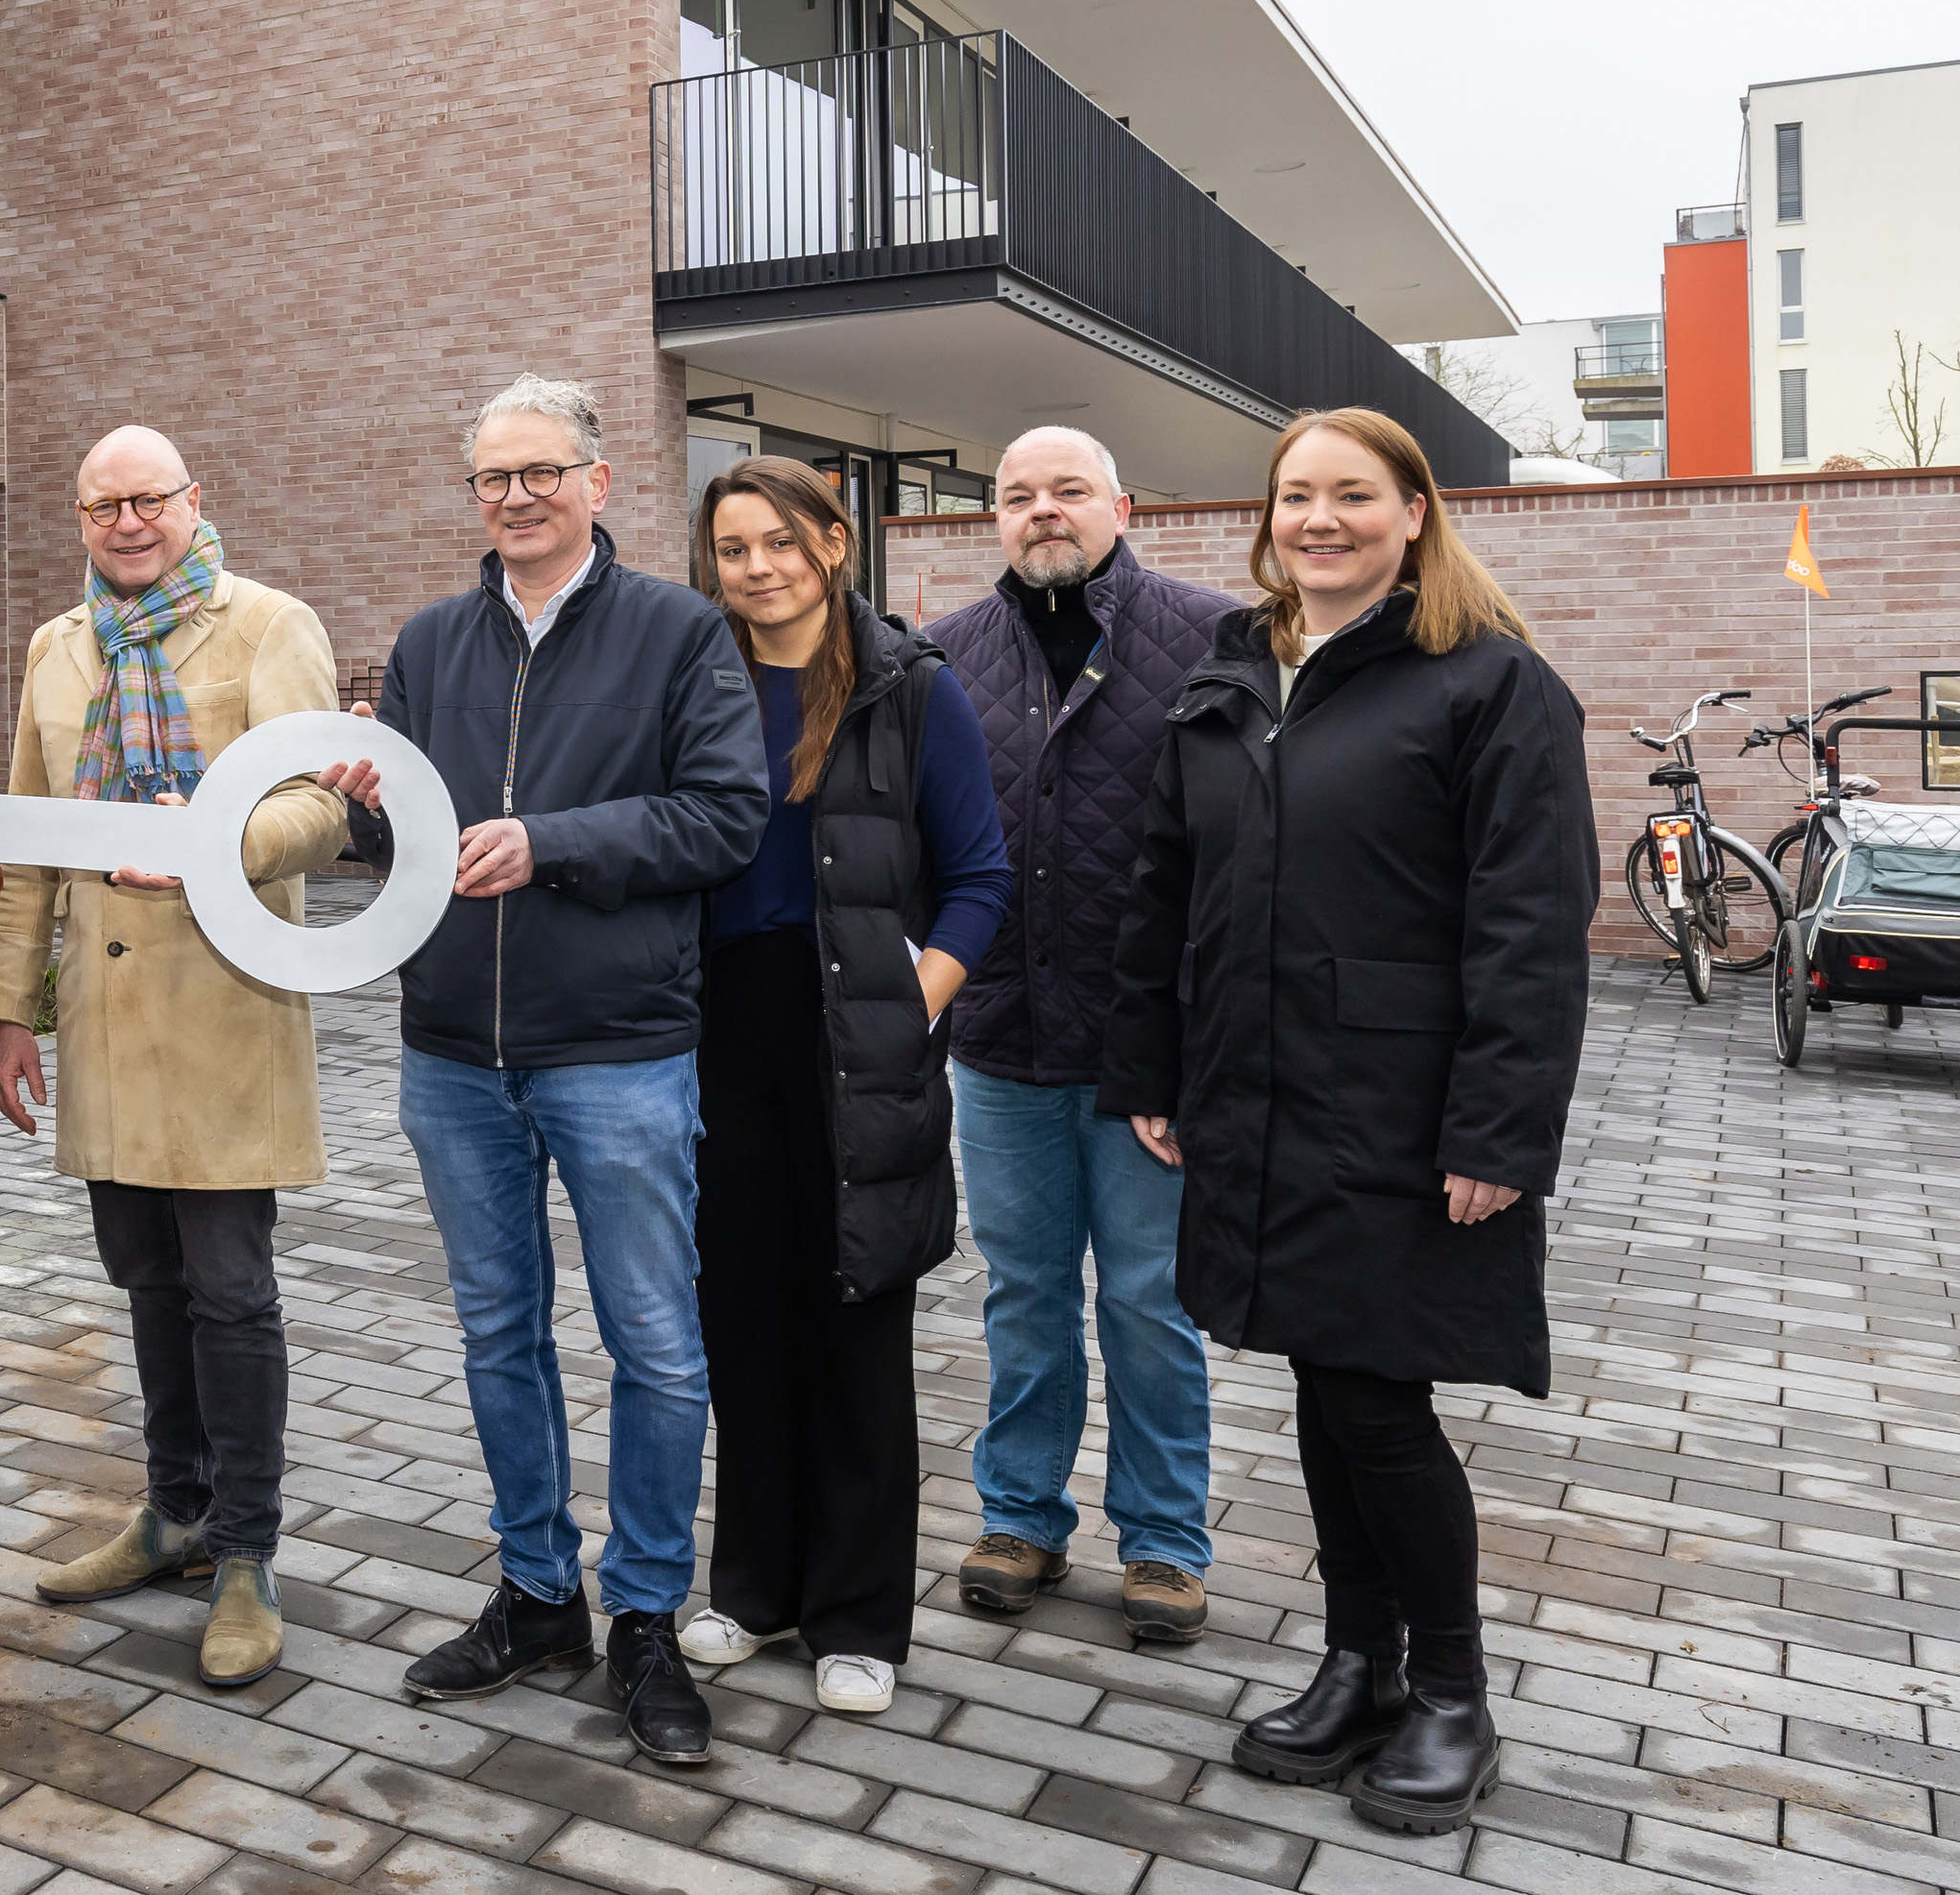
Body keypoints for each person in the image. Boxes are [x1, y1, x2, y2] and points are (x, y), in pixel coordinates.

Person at [1102, 408, 1594, 1836]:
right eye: (1296, 494)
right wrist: (1149, 1066)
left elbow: (1530, 927)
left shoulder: (1489, 683)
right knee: (1326, 1383)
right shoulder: (1233, 672)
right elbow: (1162, 890)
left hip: (1399, 1105)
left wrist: (1498, 1132)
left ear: (1413, 512)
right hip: (1256, 1091)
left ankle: (1450, 1693)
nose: (1319, 518)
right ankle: (1356, 1662)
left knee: (1377, 1401)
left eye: (1351, 495)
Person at [341, 375, 766, 1764]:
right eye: (490, 475)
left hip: (618, 1051)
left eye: (539, 470)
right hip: (453, 1052)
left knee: (653, 1342)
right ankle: (536, 1591)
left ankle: (643, 1613)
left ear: (597, 482)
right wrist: (359, 813)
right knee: (495, 1335)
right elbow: (403, 854)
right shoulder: (425, 642)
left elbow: (722, 816)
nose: (513, 495)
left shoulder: (677, 632)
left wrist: (550, 839)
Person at [0, 426, 353, 1688]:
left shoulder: (267, 623)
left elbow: (319, 807)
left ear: (195, 501)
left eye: (147, 499)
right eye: (100, 505)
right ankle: (174, 1509)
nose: (125, 522)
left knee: (229, 1288)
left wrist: (207, 839)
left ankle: (244, 1549)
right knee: (142, 1273)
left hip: (224, 1000)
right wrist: (7, 1004)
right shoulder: (51, 646)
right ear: (79, 519)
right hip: (102, 1015)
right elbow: (30, 840)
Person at [673, 458, 1009, 1715]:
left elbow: (978, 873)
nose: (756, 567)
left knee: (855, 1320)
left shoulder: (908, 687)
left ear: (830, 544)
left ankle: (859, 1613)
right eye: (731, 548)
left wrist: (911, 1000)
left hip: (857, 1035)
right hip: (721, 1034)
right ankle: (754, 1589)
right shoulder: (693, 678)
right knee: (743, 1320)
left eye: (778, 542)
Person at [927, 427, 1241, 1642]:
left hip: (1145, 1051)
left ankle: (1163, 1541)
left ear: (1119, 502)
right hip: (1002, 1038)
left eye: (1066, 491)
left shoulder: (1213, 637)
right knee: (1023, 1293)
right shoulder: (945, 653)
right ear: (991, 518)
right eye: (1016, 496)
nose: (1041, 511)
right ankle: (1019, 1516)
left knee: (1151, 1301)